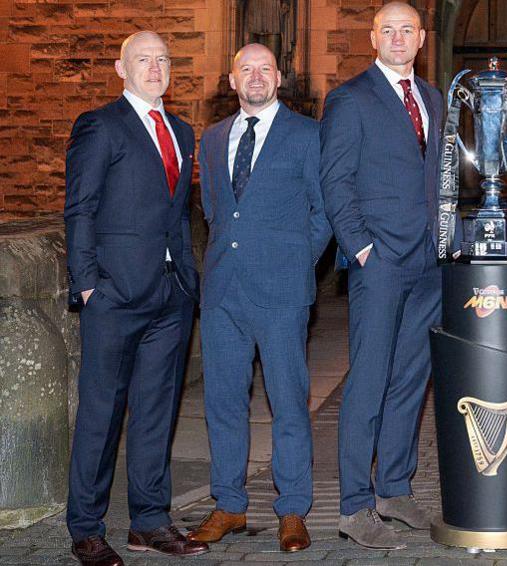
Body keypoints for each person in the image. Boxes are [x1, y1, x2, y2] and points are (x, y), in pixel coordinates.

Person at [63, 30, 208, 566]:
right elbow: (79, 208)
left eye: (162, 59)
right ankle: (85, 528)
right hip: (114, 296)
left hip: (170, 297)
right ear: (121, 69)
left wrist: (186, 282)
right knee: (101, 414)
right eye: (142, 60)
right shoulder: (101, 126)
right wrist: (87, 284)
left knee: (155, 412)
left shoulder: (183, 131)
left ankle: (149, 521)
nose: (155, 67)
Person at [185, 43, 330, 552]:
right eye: (246, 69)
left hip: (282, 291)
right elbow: (214, 211)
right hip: (224, 290)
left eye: (264, 68)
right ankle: (230, 505)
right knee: (224, 403)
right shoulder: (214, 137)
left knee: (288, 402)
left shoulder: (307, 135)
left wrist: (295, 261)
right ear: (232, 79)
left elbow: (323, 212)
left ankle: (292, 508)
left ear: (278, 77)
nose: (255, 76)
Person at [319, 1, 443, 550]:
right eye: (388, 29)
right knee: (367, 381)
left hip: (428, 264)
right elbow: (336, 181)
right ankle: (354, 505)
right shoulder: (350, 99)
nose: (398, 38)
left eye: (407, 30)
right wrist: (362, 249)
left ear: (421, 38)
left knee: (411, 380)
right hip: (382, 263)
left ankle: (394, 488)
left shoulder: (433, 99)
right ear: (374, 37)